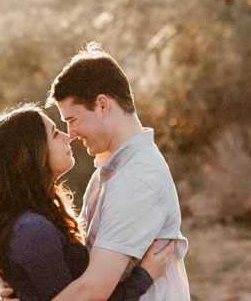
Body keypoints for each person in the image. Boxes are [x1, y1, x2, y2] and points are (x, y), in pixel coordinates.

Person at [0, 106, 176, 301]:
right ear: (32, 155)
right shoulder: (32, 230)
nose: (67, 136)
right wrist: (145, 275)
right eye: (54, 134)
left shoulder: (33, 223)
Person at [45, 46, 190, 301]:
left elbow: (92, 291)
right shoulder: (111, 171)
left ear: (102, 105)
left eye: (73, 119)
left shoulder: (136, 180)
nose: (72, 133)